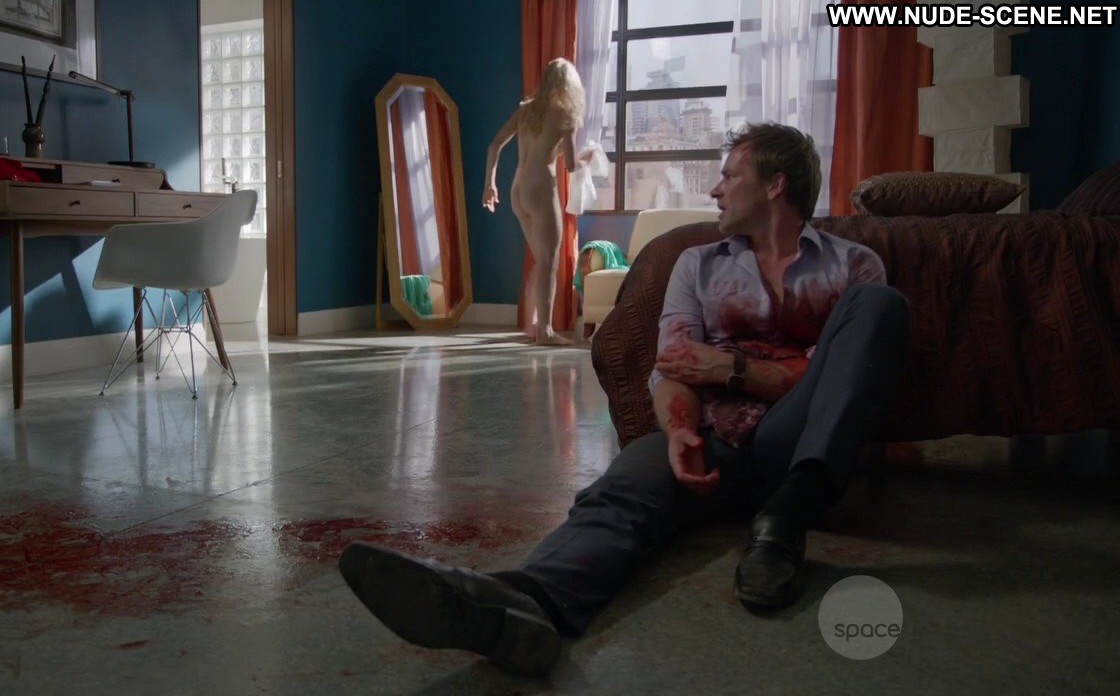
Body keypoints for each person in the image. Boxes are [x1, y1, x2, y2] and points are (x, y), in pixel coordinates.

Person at [338, 123, 911, 677]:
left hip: (792, 441)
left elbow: (837, 382)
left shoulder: (852, 266)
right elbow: (674, 366)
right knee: (617, 494)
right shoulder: (697, 264)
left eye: (730, 175)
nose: (715, 189)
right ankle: (523, 607)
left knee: (883, 308)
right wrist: (679, 429)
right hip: (708, 432)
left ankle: (785, 521)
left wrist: (730, 367)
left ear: (775, 184)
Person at [482, 57, 593, 346]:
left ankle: (533, 323)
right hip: (542, 188)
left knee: (540, 260)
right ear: (571, 85)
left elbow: (494, 145)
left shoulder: (527, 110)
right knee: (548, 262)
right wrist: (588, 159)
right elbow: (571, 165)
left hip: (518, 190)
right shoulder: (567, 115)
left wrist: (489, 185)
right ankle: (545, 331)